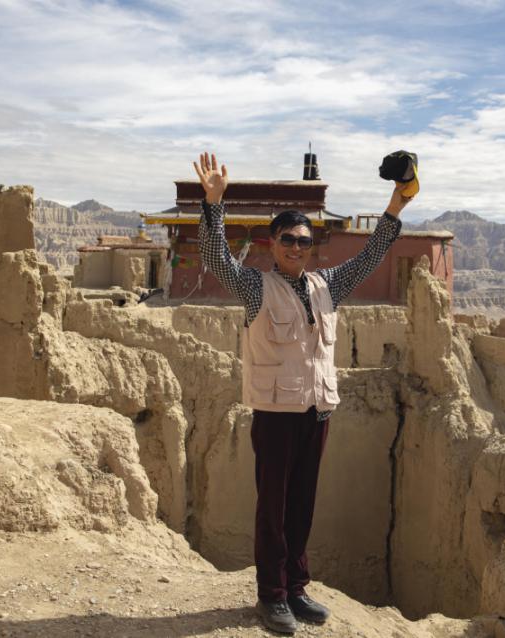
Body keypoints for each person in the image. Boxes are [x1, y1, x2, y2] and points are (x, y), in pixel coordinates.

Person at [193, 152, 414, 634]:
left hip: (316, 412)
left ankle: (296, 588)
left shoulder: (327, 285)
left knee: (301, 506)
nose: (297, 247)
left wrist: (395, 207)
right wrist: (213, 204)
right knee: (273, 509)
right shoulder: (255, 287)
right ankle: (271, 596)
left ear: (312, 248)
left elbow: (371, 256)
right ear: (273, 244)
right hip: (276, 415)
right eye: (288, 239)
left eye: (304, 241)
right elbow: (215, 260)